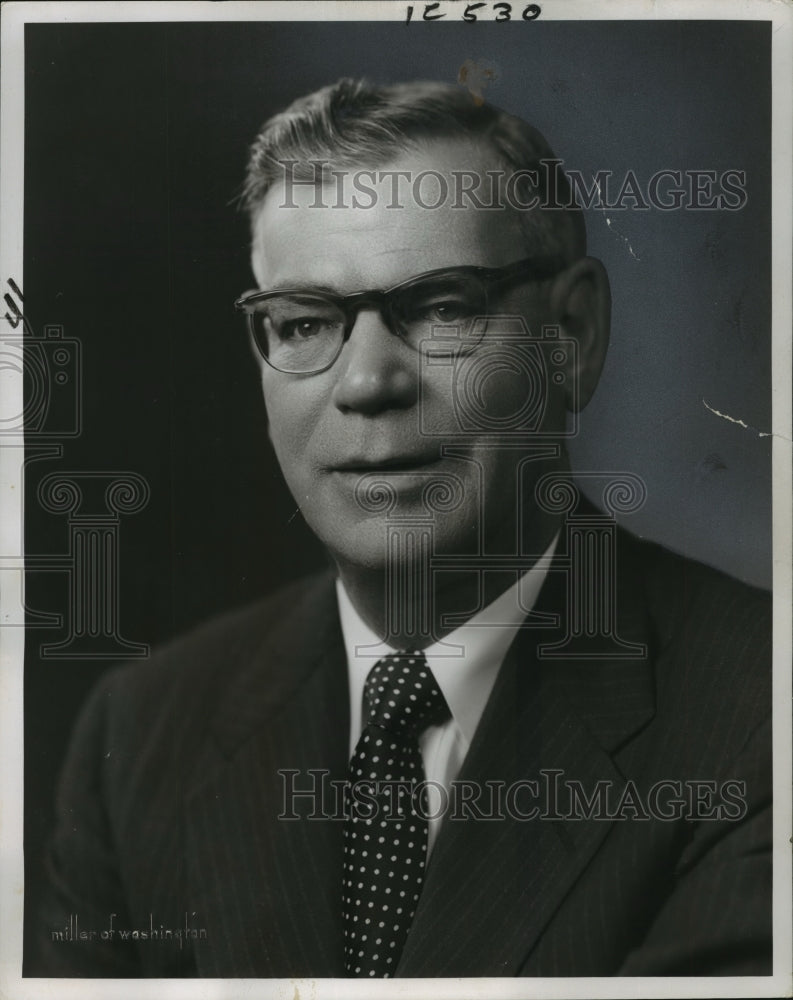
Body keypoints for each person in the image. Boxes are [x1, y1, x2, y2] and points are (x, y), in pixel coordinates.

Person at [31, 78, 771, 978]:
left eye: (443, 308)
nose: (366, 384)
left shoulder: (760, 720)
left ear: (570, 335)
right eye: (304, 323)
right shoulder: (143, 735)